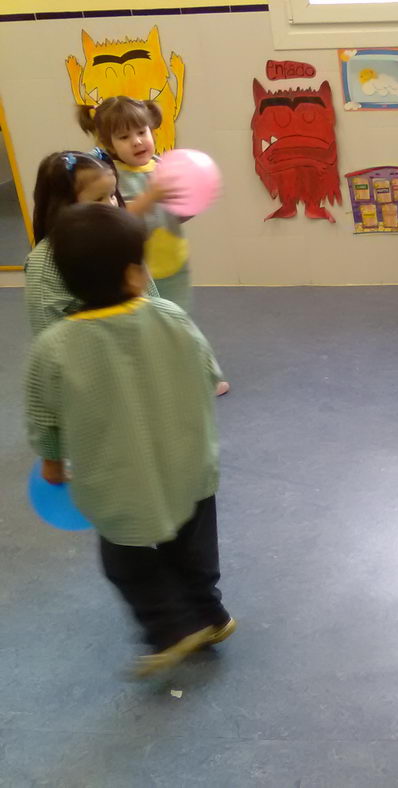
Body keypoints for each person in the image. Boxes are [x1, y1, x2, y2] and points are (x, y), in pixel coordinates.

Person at [24, 203, 235, 678]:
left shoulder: (53, 348)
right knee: (194, 549)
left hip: (118, 480)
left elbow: (44, 418)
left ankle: (171, 626)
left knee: (127, 560)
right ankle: (211, 615)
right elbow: (210, 375)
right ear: (135, 274)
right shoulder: (171, 317)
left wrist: (53, 465)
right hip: (190, 467)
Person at [77, 96, 230, 395]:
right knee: (147, 329)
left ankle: (201, 375)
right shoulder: (111, 179)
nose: (136, 141)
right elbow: (116, 222)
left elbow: (174, 214)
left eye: (142, 132)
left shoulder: (163, 167)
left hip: (171, 263)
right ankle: (171, 379)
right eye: (124, 137)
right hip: (137, 273)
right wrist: (152, 197)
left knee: (178, 324)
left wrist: (191, 202)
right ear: (108, 143)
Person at [23, 150, 161, 336]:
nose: (112, 205)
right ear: (65, 207)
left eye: (112, 195)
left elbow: (150, 297)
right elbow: (48, 332)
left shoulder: (121, 237)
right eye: (98, 199)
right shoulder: (44, 263)